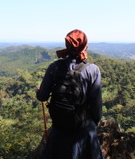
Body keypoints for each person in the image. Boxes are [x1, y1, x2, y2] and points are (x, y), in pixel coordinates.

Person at [36, 29, 104, 159]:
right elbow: (96, 105)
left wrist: (38, 92)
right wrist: (92, 124)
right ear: (85, 46)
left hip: (59, 127)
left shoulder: (54, 67)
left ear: (67, 45)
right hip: (83, 129)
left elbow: (42, 97)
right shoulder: (92, 70)